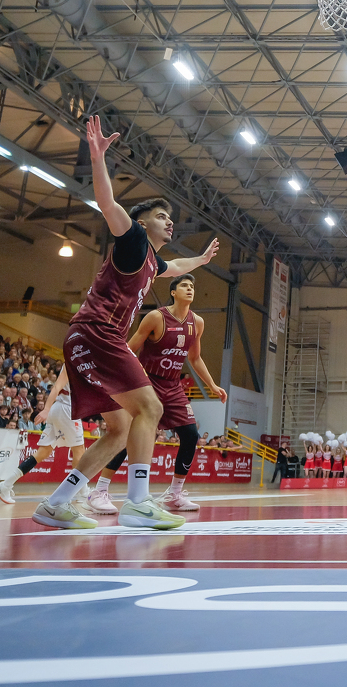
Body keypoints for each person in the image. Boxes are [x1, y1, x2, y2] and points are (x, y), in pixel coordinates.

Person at [31, 115, 220, 530]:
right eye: (161, 215)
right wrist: (98, 158)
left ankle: (56, 503)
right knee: (150, 406)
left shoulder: (153, 261)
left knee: (118, 430)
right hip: (98, 333)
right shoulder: (133, 239)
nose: (169, 221)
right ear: (143, 222)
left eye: (170, 217)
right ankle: (137, 502)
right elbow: (107, 203)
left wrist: (202, 260)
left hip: (86, 339)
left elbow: (177, 266)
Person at [97, 273, 225, 512]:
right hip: (148, 382)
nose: (190, 289)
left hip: (173, 385)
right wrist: (123, 380)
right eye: (184, 285)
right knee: (130, 436)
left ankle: (174, 494)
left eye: (192, 286)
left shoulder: (197, 322)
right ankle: (100, 491)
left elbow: (195, 358)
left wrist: (212, 385)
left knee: (190, 435)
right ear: (173, 292)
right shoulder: (156, 317)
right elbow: (129, 350)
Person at [0, 369, 85, 505]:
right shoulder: (74, 362)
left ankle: (6, 485)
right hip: (67, 409)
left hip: (59, 409)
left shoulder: (87, 364)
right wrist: (46, 409)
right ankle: (83, 492)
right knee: (79, 450)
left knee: (43, 452)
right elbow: (56, 387)